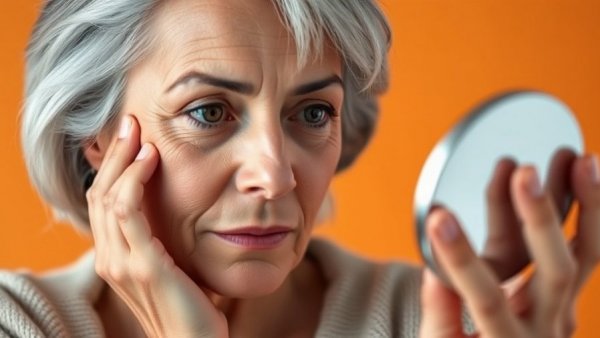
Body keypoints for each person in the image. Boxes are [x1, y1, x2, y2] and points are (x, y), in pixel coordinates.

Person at [1, 0, 598, 337]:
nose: (277, 176)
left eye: (312, 112)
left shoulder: (434, 321)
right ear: (98, 140)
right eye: (209, 111)